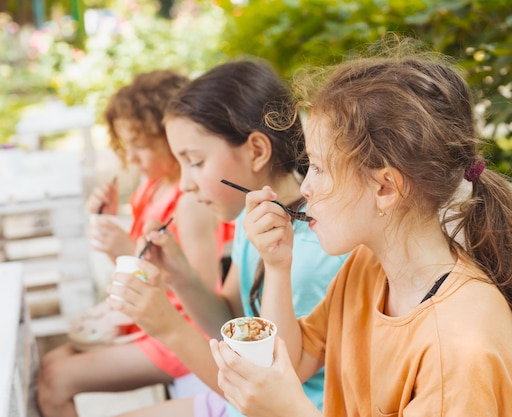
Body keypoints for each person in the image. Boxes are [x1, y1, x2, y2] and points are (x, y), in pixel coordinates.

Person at [209, 40, 512, 416]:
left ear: (385, 188)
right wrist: (276, 264)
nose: (305, 188)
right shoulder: (367, 267)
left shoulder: (457, 347)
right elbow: (295, 358)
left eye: (319, 168)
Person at [106, 59, 348, 417]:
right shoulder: (256, 218)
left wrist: (168, 328)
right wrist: (179, 275)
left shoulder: (313, 253)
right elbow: (231, 316)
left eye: (195, 162)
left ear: (256, 151)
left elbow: (264, 394)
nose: (186, 183)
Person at [37, 70, 227, 417]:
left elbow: (201, 300)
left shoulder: (189, 203)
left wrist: (126, 250)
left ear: (170, 137)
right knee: (49, 365)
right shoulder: (151, 186)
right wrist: (111, 226)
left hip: (177, 331)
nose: (133, 158)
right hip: (149, 320)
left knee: (56, 379)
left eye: (140, 146)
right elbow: (140, 267)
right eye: (127, 146)